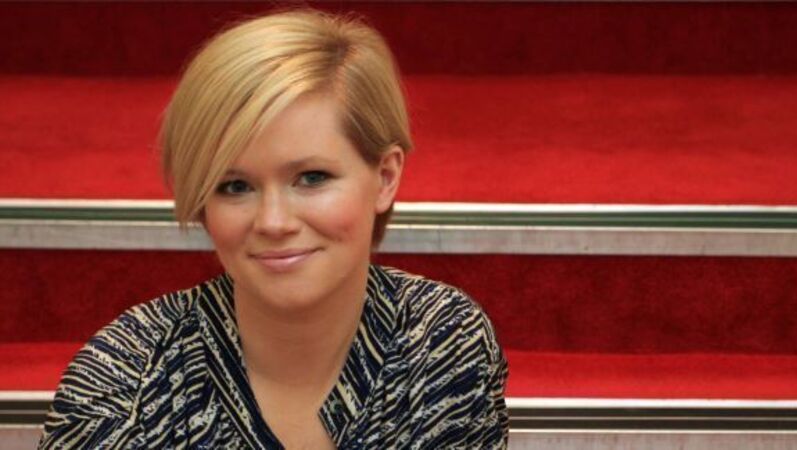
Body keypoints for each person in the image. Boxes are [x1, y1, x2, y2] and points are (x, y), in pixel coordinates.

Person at [39, 8, 508, 449]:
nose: (273, 222)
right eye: (235, 186)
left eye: (312, 178)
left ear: (385, 177)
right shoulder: (124, 382)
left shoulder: (444, 341)